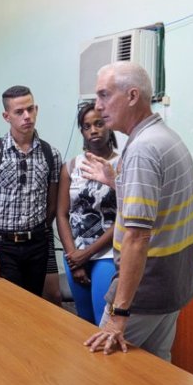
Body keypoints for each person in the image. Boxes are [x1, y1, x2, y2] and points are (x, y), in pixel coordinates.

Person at [82, 62, 193, 385]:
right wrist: (118, 181)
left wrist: (118, 315)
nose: (97, 106)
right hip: (172, 285)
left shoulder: (143, 150)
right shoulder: (165, 137)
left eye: (104, 94)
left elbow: (136, 238)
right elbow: (156, 207)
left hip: (143, 293)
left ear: (133, 96)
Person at [0, 85, 62, 296]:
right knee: (6, 307)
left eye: (30, 109)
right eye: (19, 112)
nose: (27, 116)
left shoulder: (50, 154)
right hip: (2, 246)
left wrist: (38, 230)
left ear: (36, 109)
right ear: (6, 116)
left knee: (33, 304)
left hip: (36, 245)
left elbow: (52, 204)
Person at [56, 102, 118, 324]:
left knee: (103, 320)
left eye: (99, 124)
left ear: (108, 125)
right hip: (75, 255)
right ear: (81, 131)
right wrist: (75, 257)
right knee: (83, 321)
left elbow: (124, 217)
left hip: (108, 253)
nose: (93, 130)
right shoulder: (71, 167)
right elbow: (61, 213)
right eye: (87, 126)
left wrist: (88, 253)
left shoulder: (121, 164)